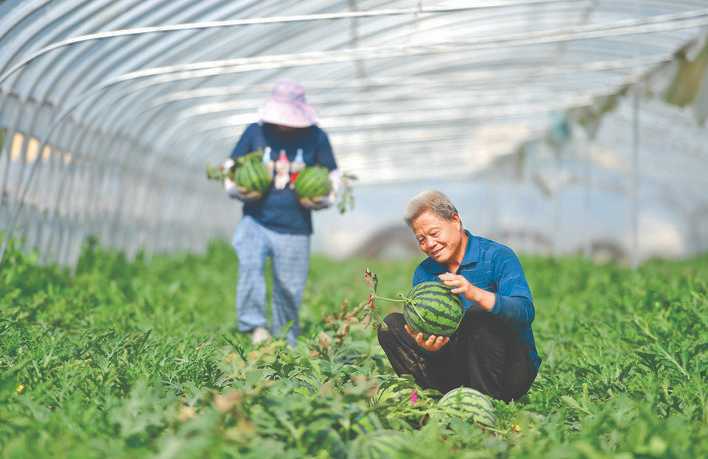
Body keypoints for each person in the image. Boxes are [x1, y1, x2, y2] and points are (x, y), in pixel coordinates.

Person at [377, 190, 540, 402]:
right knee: (390, 325)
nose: (429, 244)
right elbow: (432, 332)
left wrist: (476, 294)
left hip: (509, 371)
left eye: (434, 233)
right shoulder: (425, 272)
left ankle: (485, 405)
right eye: (421, 239)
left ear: (455, 220)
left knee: (478, 314)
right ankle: (433, 398)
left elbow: (525, 311)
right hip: (457, 369)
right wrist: (430, 348)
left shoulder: (498, 256)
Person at [223, 80, 340, 346]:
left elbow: (333, 177)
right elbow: (230, 169)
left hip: (295, 226)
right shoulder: (255, 132)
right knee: (249, 266)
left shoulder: (316, 137)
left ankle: (286, 339)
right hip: (256, 219)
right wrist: (240, 190)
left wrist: (321, 200)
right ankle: (255, 327)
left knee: (289, 287)